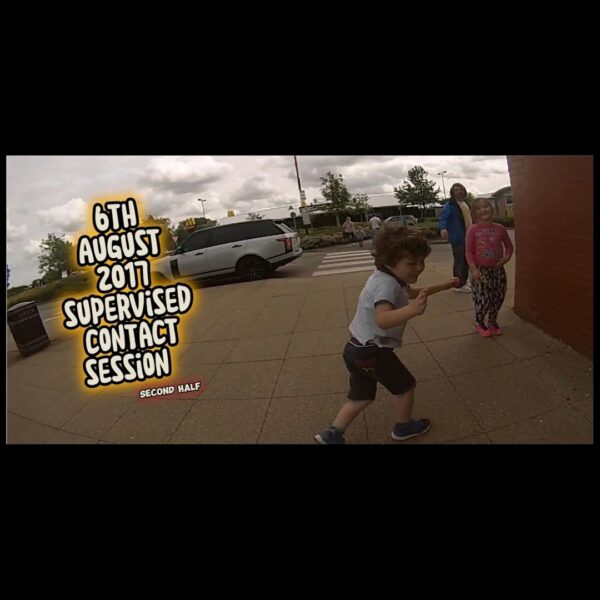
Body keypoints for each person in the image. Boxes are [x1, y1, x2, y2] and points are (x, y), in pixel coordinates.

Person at [314, 225, 460, 444]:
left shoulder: (389, 277)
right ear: (391, 262)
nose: (419, 268)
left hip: (356, 349)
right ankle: (403, 427)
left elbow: (411, 293)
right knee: (406, 386)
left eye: (421, 261)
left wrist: (443, 286)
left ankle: (333, 433)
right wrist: (413, 311)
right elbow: (383, 318)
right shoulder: (386, 285)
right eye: (411, 263)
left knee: (361, 396)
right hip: (375, 351)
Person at [466, 198, 514, 337]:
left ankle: (492, 321)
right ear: (475, 213)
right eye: (479, 208)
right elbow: (468, 252)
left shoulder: (500, 228)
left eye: (486, 207)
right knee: (483, 298)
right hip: (480, 271)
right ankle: (479, 322)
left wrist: (506, 258)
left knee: (498, 297)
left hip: (498, 270)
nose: (483, 210)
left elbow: (509, 247)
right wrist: (474, 269)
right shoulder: (472, 230)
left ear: (491, 208)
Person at [439, 183, 473, 293]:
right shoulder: (450, 205)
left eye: (460, 189)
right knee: (460, 261)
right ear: (452, 193)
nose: (458, 191)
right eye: (456, 190)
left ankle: (464, 280)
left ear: (464, 191)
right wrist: (443, 228)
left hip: (468, 236)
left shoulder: (465, 203)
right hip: (458, 238)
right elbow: (443, 217)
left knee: (467, 260)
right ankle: (458, 284)